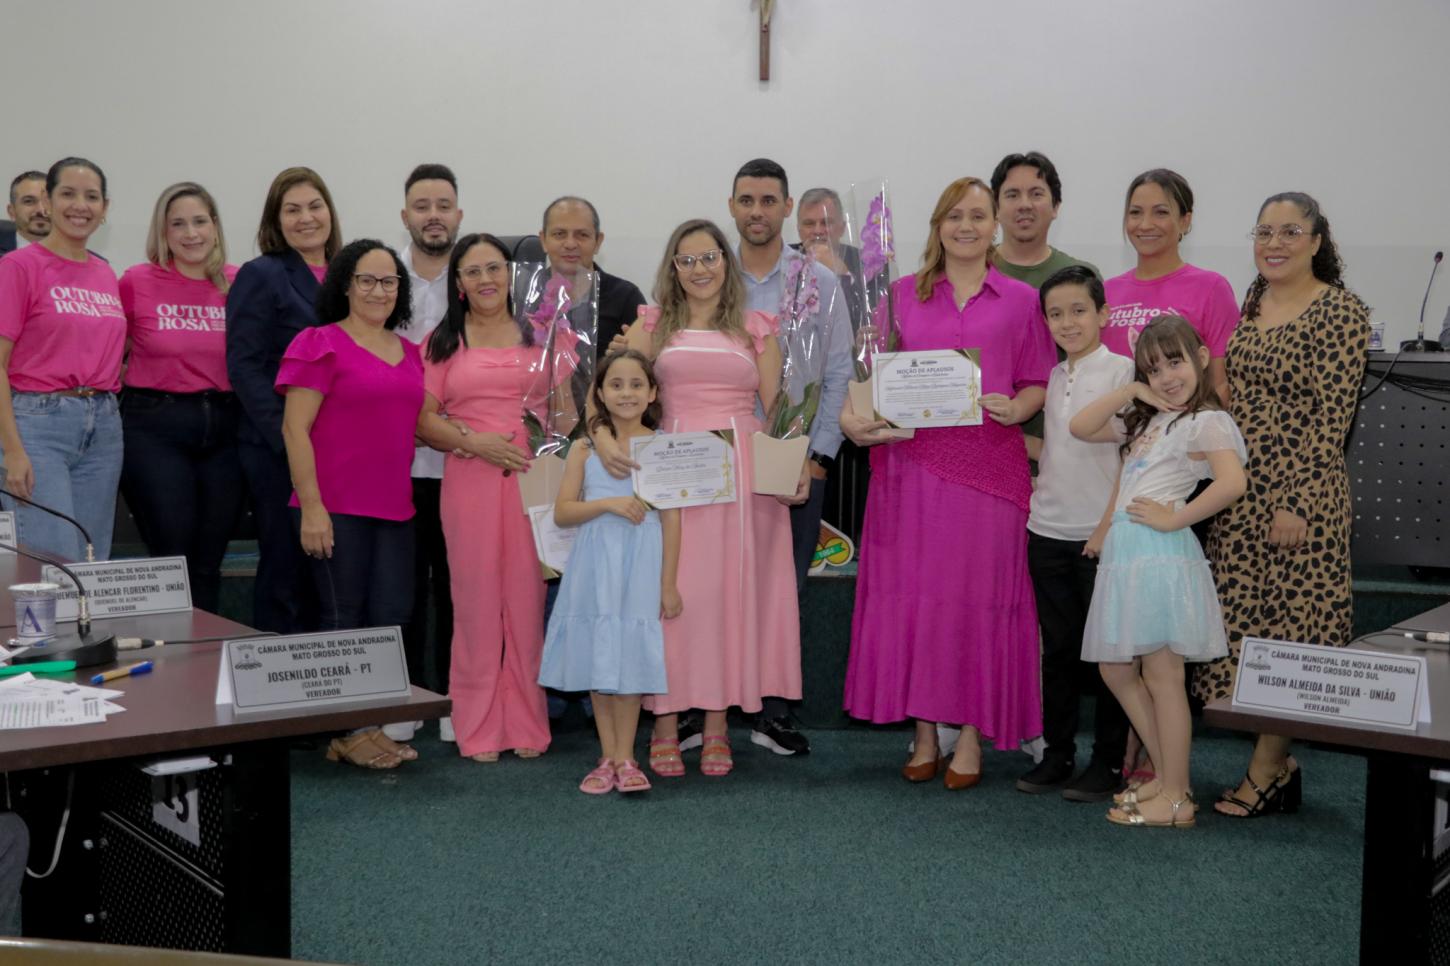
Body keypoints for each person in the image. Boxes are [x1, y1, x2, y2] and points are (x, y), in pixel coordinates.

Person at [840, 177, 1055, 788]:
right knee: (916, 599)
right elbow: (867, 382)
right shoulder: (899, 296)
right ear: (937, 226)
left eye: (978, 216)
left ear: (994, 227)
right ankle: (926, 732)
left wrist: (1020, 407)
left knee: (975, 603)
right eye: (953, 216)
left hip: (990, 473)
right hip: (909, 474)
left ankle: (970, 736)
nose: (966, 226)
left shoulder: (1019, 299)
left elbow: (1038, 378)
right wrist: (857, 420)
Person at [597, 219, 801, 779]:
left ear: (725, 262)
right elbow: (613, 393)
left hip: (738, 480)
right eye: (686, 260)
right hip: (669, 476)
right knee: (670, 599)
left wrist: (793, 466)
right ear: (672, 269)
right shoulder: (651, 325)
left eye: (709, 256)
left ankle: (716, 727)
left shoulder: (757, 329)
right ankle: (664, 723)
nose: (700, 269)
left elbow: (778, 413)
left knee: (725, 600)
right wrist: (603, 442)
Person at [1193, 193, 1371, 818]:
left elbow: (1332, 418)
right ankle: (1280, 764)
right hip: (1241, 489)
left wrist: (1295, 501)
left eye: (1290, 231)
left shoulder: (1341, 312)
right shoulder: (1253, 301)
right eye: (1264, 231)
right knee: (1242, 629)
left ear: (1318, 240)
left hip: (1303, 495)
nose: (1274, 242)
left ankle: (1266, 772)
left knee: (1290, 633)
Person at [1069, 316, 1247, 827]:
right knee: (1118, 669)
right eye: (1154, 367)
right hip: (1129, 554)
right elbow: (1080, 426)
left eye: (1175, 361)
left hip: (1160, 553)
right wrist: (1131, 387)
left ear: (1200, 356)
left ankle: (1175, 795)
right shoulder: (1149, 420)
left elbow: (1232, 482)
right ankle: (1172, 783)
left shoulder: (1206, 421)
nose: (1168, 375)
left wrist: (1175, 516)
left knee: (1164, 675)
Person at [416, 232, 567, 763]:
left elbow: (568, 412)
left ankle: (527, 721)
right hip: (470, 482)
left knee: (526, 607)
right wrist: (473, 442)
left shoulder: (546, 335)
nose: (485, 280)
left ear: (511, 275)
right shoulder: (441, 343)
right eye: (472, 271)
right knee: (476, 606)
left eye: (494, 269)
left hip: (534, 486)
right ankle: (475, 723)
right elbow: (421, 420)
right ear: (458, 283)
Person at [278, 238, 422, 768]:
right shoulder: (318, 342)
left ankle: (369, 721)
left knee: (391, 618)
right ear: (344, 283)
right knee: (344, 618)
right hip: (334, 505)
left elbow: (417, 423)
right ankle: (345, 730)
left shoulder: (408, 353)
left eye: (389, 282)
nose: (379, 290)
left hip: (396, 509)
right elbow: (295, 430)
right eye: (367, 279)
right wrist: (312, 507)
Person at [726, 158, 851, 756]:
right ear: (732, 206)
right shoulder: (709, 276)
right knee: (717, 582)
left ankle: (773, 712)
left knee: (784, 588)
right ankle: (712, 708)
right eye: (746, 200)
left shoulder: (818, 282)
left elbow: (839, 374)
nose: (757, 211)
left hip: (795, 464)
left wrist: (820, 455)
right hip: (720, 460)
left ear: (786, 207)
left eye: (768, 200)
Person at [538, 349, 682, 794]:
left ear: (653, 392)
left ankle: (628, 756)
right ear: (599, 393)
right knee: (601, 660)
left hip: (640, 565)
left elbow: (672, 518)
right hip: (594, 567)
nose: (626, 393)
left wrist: (668, 583)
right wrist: (607, 504)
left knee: (630, 659)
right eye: (615, 384)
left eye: (637, 384)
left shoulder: (660, 447)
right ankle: (608, 756)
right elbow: (562, 512)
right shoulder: (584, 448)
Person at [1017, 266, 1136, 802]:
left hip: (1101, 537)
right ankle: (1058, 753)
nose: (1068, 322)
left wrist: (1108, 528)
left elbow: (1135, 458)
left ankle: (1108, 762)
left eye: (1079, 310)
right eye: (1056, 313)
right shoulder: (1055, 377)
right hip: (1046, 529)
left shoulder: (1125, 374)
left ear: (1104, 314)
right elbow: (1059, 449)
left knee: (1109, 655)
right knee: (1059, 652)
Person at [118, 182, 243, 612]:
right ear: (163, 231)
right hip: (155, 429)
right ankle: (169, 661)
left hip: (225, 431)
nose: (191, 233)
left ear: (215, 226)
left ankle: (203, 662)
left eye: (199, 221)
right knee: (172, 559)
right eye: (178, 224)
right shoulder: (137, 281)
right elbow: (109, 348)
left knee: (209, 563)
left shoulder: (238, 282)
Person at [227, 167, 341, 633]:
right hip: (279, 448)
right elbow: (245, 366)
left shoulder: (350, 275)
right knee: (287, 565)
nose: (306, 218)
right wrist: (288, 438)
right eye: (291, 210)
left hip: (338, 450)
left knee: (329, 570)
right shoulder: (262, 274)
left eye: (315, 206)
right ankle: (280, 682)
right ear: (276, 220)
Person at [0, 157, 125, 561]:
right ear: (48, 203)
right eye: (67, 194)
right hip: (38, 426)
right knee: (52, 564)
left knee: (92, 560)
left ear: (104, 208)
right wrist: (13, 451)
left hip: (103, 425)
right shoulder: (17, 267)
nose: (80, 205)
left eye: (91, 197)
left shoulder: (106, 273)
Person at [393, 163, 464, 742]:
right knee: (406, 586)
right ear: (405, 216)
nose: (433, 215)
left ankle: (453, 697)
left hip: (464, 461)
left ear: (459, 215)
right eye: (422, 205)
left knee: (459, 585)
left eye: (443, 204)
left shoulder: (479, 280)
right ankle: (410, 696)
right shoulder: (382, 279)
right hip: (397, 462)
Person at [1103, 169, 1237, 404]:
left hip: (1181, 433)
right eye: (1135, 213)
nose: (1145, 224)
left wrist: (1180, 432)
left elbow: (1221, 384)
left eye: (1161, 212)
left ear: (1185, 220)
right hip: (1111, 434)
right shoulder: (1106, 292)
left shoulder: (1211, 288)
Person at [539, 195, 646, 357]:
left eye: (582, 235)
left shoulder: (625, 297)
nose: (570, 244)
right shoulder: (522, 296)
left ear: (598, 242)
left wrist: (628, 357)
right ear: (543, 240)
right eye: (559, 234)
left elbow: (644, 366)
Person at [989, 152, 1099, 287]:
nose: (1025, 205)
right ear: (995, 207)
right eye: (1012, 195)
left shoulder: (1082, 277)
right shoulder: (972, 270)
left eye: (1036, 194)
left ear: (1055, 206)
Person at [3, 171, 50, 255]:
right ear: (12, 211)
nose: (41, 210)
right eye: (29, 201)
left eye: (48, 201)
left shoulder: (77, 256)